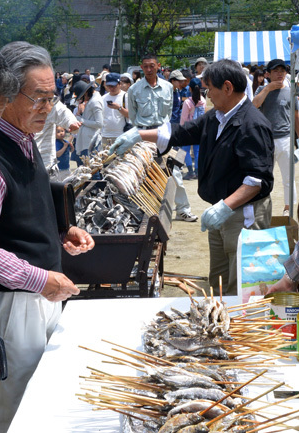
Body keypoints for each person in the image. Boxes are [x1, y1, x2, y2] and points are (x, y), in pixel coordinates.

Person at [110, 59, 274, 296]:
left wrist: (225, 207)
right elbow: (182, 131)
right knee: (219, 277)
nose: (207, 95)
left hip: (242, 212)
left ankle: (237, 326)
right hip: (221, 208)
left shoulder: (252, 124)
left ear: (227, 88)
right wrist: (139, 135)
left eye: (210, 90)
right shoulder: (217, 116)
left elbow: (256, 180)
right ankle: (220, 319)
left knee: (241, 282)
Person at [0, 41, 95, 432]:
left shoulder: (25, 137)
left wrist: (60, 231)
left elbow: (21, 210)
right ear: (3, 94)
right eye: (38, 98)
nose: (47, 109)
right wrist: (40, 278)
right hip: (13, 305)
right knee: (19, 406)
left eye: (52, 98)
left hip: (39, 296)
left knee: (44, 395)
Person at [128, 55, 197, 222]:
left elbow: (169, 113)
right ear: (141, 68)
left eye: (152, 66)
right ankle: (144, 212)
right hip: (143, 136)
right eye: (146, 66)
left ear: (158, 66)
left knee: (175, 174)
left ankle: (183, 210)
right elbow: (132, 116)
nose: (149, 69)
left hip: (164, 136)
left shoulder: (168, 87)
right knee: (141, 175)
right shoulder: (134, 90)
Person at [253, 58, 299, 216]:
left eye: (282, 71)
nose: (280, 74)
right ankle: (263, 208)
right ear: (268, 74)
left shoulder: (290, 90)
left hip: (286, 139)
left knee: (288, 176)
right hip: (265, 140)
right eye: (276, 71)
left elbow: (296, 116)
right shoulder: (261, 90)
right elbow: (253, 106)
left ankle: (288, 208)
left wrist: (298, 140)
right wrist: (268, 88)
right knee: (263, 176)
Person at [168, 69, 198, 222]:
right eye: (178, 80)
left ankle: (182, 208)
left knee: (176, 171)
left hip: (173, 137)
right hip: (167, 138)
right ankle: (182, 208)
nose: (181, 82)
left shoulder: (177, 93)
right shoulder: (170, 93)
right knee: (175, 173)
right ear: (172, 80)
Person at [34, 100, 81, 173]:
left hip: (46, 162)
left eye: (62, 131)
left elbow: (62, 111)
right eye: (58, 131)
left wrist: (71, 122)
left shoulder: (48, 99)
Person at [180, 77, 206, 180]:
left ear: (189, 89)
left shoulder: (188, 102)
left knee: (185, 150)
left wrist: (181, 129)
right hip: (199, 129)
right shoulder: (203, 101)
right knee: (197, 151)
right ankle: (197, 171)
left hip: (188, 129)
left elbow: (183, 118)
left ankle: (190, 172)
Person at [74, 79, 103, 163]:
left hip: (91, 141)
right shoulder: (93, 99)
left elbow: (99, 123)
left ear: (86, 93)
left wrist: (81, 120)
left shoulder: (95, 101)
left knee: (91, 168)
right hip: (87, 139)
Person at [101, 72, 130, 148]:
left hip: (122, 135)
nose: (111, 88)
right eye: (109, 86)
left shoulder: (126, 96)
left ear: (119, 84)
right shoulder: (103, 98)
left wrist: (119, 108)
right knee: (106, 159)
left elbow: (130, 115)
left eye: (114, 86)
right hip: (105, 135)